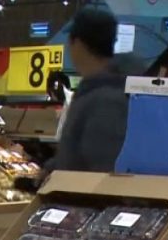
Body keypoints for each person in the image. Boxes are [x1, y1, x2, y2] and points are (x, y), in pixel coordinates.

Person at [49, 9, 129, 173]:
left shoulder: (105, 100)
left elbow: (102, 174)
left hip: (79, 197)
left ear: (77, 43)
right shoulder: (97, 91)